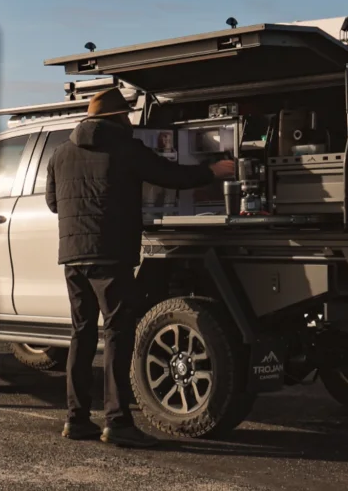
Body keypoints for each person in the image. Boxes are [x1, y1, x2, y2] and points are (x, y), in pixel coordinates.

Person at [45, 88, 235, 448]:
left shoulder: (61, 153)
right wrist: (212, 170)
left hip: (72, 255)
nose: (130, 121)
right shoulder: (125, 147)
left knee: (81, 334)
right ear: (117, 118)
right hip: (111, 253)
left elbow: (54, 203)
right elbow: (170, 175)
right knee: (117, 334)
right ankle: (117, 422)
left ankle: (77, 419)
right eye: (126, 116)